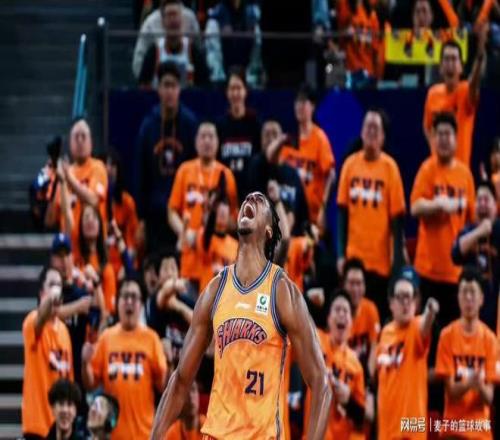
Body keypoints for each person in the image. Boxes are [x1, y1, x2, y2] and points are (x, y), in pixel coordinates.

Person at [151, 191, 332, 439]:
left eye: (260, 201)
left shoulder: (281, 290)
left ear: (269, 231)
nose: (251, 199)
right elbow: (181, 379)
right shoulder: (215, 289)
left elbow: (321, 383)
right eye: (247, 199)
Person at [337, 109, 406, 322]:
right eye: (368, 126)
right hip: (353, 262)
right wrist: (340, 255)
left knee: (375, 320)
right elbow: (341, 215)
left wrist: (397, 266)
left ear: (383, 137)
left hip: (380, 265)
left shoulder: (390, 168)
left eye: (376, 128)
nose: (371, 131)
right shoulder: (350, 165)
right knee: (350, 320)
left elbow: (397, 223)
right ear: (361, 131)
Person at [81, 278, 167, 440]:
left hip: (144, 434)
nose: (129, 301)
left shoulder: (152, 338)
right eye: (125, 296)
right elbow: (90, 384)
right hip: (111, 434)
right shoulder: (106, 338)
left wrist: (169, 362)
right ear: (117, 303)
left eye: (134, 297)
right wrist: (85, 363)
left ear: (141, 304)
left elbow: (162, 387)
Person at [411, 112, 475, 326]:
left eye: (448, 134)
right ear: (433, 138)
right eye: (439, 134)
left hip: (455, 273)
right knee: (427, 332)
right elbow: (415, 207)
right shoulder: (427, 170)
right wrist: (438, 204)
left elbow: (471, 220)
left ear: (456, 138)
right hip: (428, 271)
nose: (444, 139)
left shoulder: (465, 175)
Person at [136, 61, 199, 253]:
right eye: (166, 85)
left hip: (183, 216)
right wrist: (141, 219)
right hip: (155, 217)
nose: (170, 91)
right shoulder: (148, 126)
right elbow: (141, 174)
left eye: (173, 86)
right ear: (158, 89)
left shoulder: (190, 124)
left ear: (179, 89)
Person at [168, 122, 238, 294]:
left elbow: (234, 217)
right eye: (203, 136)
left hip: (215, 258)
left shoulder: (226, 175)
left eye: (211, 136)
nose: (207, 141)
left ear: (218, 142)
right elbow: (171, 211)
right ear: (196, 142)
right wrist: (185, 233)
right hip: (190, 260)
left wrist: (215, 229)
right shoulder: (185, 170)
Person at [374, 275, 439, 440]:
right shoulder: (385, 333)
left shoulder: (415, 326)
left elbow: (425, 325)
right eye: (400, 297)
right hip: (387, 430)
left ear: (415, 302)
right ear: (391, 303)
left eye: (409, 297)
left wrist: (430, 311)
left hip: (409, 431)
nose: (405, 302)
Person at [435, 267, 497, 439]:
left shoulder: (490, 340)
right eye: (464, 292)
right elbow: (451, 393)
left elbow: (489, 397)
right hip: (453, 430)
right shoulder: (447, 336)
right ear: (458, 297)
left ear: (481, 299)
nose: (468, 298)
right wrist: (471, 382)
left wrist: (479, 385)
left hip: (480, 431)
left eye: (473, 292)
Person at [303, 291, 366, 440]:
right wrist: (307, 298)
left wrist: (348, 399)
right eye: (337, 309)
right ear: (329, 318)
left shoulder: (356, 365)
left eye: (346, 311)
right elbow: (297, 319)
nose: (342, 314)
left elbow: (361, 418)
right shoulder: (316, 340)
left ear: (351, 322)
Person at [423, 25, 488, 166]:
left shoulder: (465, 90)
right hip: (437, 168)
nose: (450, 63)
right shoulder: (432, 93)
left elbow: (474, 82)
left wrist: (480, 56)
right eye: (446, 59)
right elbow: (427, 127)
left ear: (461, 67)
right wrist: (434, 149)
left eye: (454, 59)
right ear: (440, 67)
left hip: (460, 168)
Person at [22, 267, 73, 439]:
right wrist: (52, 298)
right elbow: (40, 318)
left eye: (59, 285)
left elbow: (69, 382)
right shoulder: (32, 320)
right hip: (37, 427)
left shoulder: (64, 331)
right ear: (41, 292)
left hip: (60, 428)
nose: (56, 290)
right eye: (51, 285)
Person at [277, 84, 336, 229]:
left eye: (304, 101)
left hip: (311, 217)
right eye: (297, 102)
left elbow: (331, 174)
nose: (299, 106)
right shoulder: (288, 138)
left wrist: (323, 208)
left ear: (313, 106)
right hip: (289, 215)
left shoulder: (320, 138)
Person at [45, 119, 108, 249]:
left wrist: (68, 178)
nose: (80, 140)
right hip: (68, 249)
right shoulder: (61, 173)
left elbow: (93, 199)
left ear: (91, 142)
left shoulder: (98, 167)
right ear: (70, 142)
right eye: (76, 136)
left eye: (83, 136)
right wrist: (54, 181)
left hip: (93, 249)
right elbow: (50, 221)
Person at [246, 120, 308, 235]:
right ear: (261, 140)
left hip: (292, 238)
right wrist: (281, 140)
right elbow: (270, 156)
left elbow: (302, 214)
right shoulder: (256, 166)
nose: (271, 138)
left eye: (275, 134)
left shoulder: (292, 174)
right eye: (267, 135)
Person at [452, 181, 500, 329]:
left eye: (487, 199)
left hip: (495, 304)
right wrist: (479, 231)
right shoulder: (468, 230)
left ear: (495, 205)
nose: (482, 204)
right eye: (479, 200)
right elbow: (455, 254)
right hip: (471, 304)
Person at [138, 0, 208, 87]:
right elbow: (143, 85)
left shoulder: (193, 51)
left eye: (175, 14)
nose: (172, 19)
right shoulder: (154, 52)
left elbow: (204, 85)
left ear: (182, 19)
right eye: (169, 15)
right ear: (163, 21)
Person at [216, 66, 261, 200]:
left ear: (245, 91)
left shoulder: (255, 124)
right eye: (232, 89)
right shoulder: (220, 126)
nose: (235, 93)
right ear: (227, 92)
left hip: (250, 194)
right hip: (225, 195)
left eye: (239, 88)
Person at [204, 0, 262, 84]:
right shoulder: (215, 17)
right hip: (222, 74)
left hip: (247, 74)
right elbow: (213, 52)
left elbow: (256, 49)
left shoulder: (252, 15)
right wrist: (218, 78)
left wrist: (251, 77)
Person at [104, 151, 139, 281]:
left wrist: (126, 265)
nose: (109, 169)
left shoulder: (127, 202)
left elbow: (132, 242)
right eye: (106, 165)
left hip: (123, 265)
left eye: (113, 165)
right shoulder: (96, 203)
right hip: (104, 265)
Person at [342, 258, 380, 375]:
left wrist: (368, 377)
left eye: (359, 283)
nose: (355, 289)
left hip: (364, 373)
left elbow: (374, 347)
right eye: (351, 283)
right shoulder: (337, 311)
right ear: (344, 285)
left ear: (364, 285)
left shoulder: (371, 309)